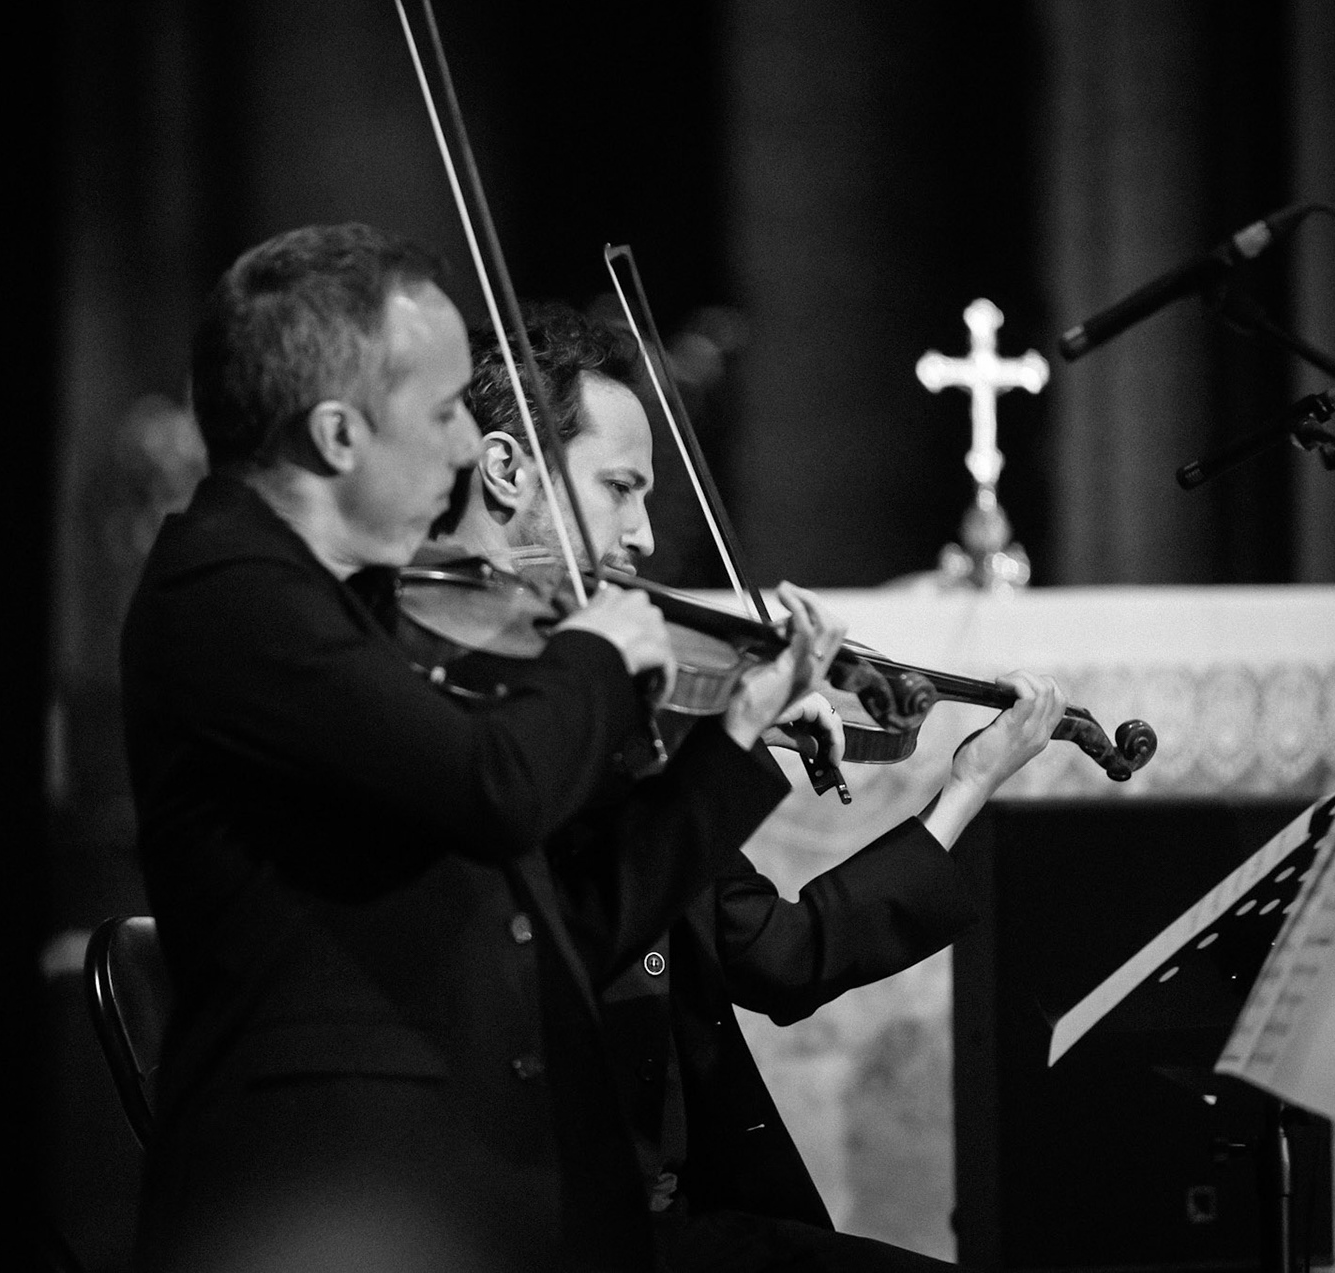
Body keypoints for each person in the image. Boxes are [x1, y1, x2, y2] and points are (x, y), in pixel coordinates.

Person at [119, 223, 839, 1273]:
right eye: (449, 409)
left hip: (471, 1192)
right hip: (335, 1200)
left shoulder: (345, 606)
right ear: (337, 433)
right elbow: (493, 786)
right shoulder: (230, 594)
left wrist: (731, 737)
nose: (470, 448)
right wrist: (593, 657)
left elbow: (573, 922)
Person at [442, 301, 1066, 1271]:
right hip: (552, 1224)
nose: (646, 536)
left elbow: (778, 954)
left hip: (675, 1216)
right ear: (507, 468)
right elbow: (562, 933)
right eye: (619, 487)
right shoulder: (480, 699)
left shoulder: (615, 708)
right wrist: (720, 739)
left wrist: (966, 782)